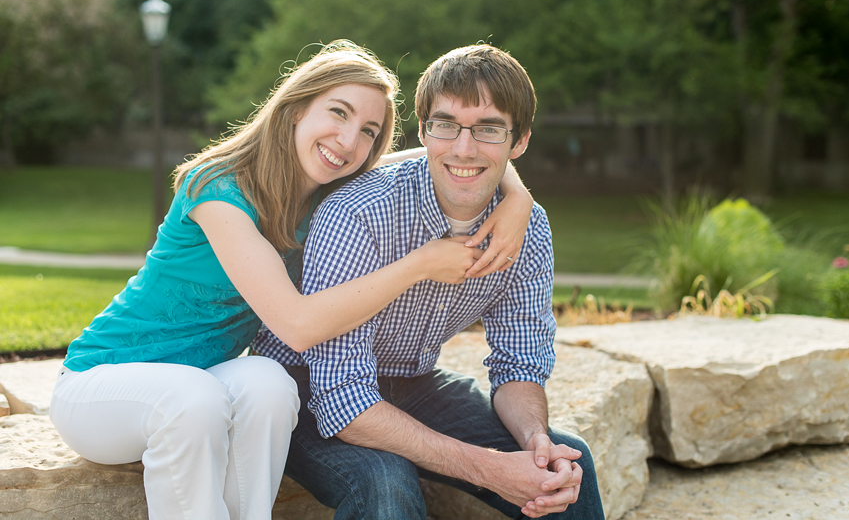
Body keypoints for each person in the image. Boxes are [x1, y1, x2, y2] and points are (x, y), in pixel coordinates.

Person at [49, 40, 534, 520]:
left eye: (368, 131)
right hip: (101, 386)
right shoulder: (217, 187)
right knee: (194, 400)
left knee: (269, 382)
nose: (348, 141)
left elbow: (450, 156)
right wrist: (421, 264)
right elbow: (296, 326)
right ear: (296, 107)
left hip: (197, 383)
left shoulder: (326, 190)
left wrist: (517, 197)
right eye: (338, 113)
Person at [254, 44, 606, 520]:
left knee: (565, 463)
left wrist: (534, 441)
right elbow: (343, 398)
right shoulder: (359, 213)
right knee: (386, 485)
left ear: (518, 141)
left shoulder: (527, 227)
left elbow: (519, 360)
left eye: (489, 129)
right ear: (423, 131)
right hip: (305, 390)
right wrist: (492, 469)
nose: (464, 148)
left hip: (413, 383)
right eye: (446, 125)